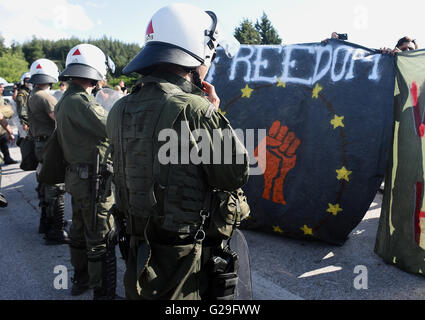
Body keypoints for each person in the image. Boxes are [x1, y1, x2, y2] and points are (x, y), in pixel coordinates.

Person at [107, 3, 249, 300]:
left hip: (136, 250)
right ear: (200, 50)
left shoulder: (119, 108)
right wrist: (212, 113)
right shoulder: (195, 109)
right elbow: (234, 174)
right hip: (184, 261)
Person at [55, 43, 117, 300]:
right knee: (101, 236)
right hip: (93, 180)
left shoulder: (66, 100)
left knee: (80, 232)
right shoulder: (82, 102)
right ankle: (103, 293)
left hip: (78, 178)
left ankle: (81, 280)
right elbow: (112, 127)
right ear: (94, 70)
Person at [27, 59, 70, 244]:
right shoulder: (45, 97)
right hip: (49, 145)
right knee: (56, 186)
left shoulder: (32, 94)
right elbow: (59, 119)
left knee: (45, 183)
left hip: (39, 143)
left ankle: (46, 223)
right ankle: (56, 230)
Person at [0, 81, 17, 165]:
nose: (2, 88)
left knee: (3, 143)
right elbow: (1, 117)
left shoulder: (1, 98)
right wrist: (10, 132)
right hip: (2, 126)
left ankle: (7, 158)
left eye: (2, 86)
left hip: (1, 130)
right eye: (0, 86)